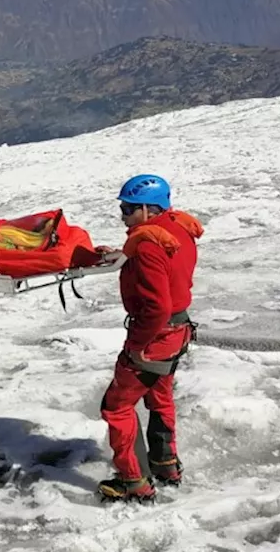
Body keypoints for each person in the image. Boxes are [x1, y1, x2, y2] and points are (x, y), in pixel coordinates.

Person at [96, 173, 204, 501]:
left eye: (128, 209)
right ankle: (165, 462)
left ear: (147, 208)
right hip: (178, 332)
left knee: (117, 406)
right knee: (159, 397)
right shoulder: (176, 228)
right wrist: (123, 254)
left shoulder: (147, 245)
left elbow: (157, 306)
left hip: (156, 337)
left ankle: (133, 482)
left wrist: (138, 347)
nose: (123, 216)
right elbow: (166, 266)